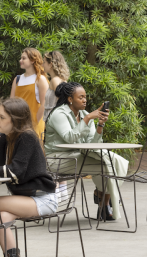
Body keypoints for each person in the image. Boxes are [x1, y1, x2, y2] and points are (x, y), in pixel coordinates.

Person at [0, 99, 59, 257]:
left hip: (42, 198)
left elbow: (16, 171)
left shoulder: (27, 137)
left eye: (1, 117)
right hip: (26, 198)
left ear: (15, 119)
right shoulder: (7, 136)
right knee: (0, 217)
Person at [45, 82, 128, 222]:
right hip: (58, 159)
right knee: (107, 165)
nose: (85, 100)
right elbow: (70, 138)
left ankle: (104, 198)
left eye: (85, 97)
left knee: (112, 161)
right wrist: (88, 118)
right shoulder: (59, 114)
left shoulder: (84, 114)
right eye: (81, 97)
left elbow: (94, 144)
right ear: (70, 99)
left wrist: (100, 125)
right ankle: (105, 201)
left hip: (77, 156)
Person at [10, 47, 50, 142]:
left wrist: (34, 123)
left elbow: (44, 104)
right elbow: (11, 103)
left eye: (24, 58)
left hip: (34, 126)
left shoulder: (40, 79)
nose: (20, 60)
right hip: (17, 124)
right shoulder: (17, 79)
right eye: (21, 58)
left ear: (32, 60)